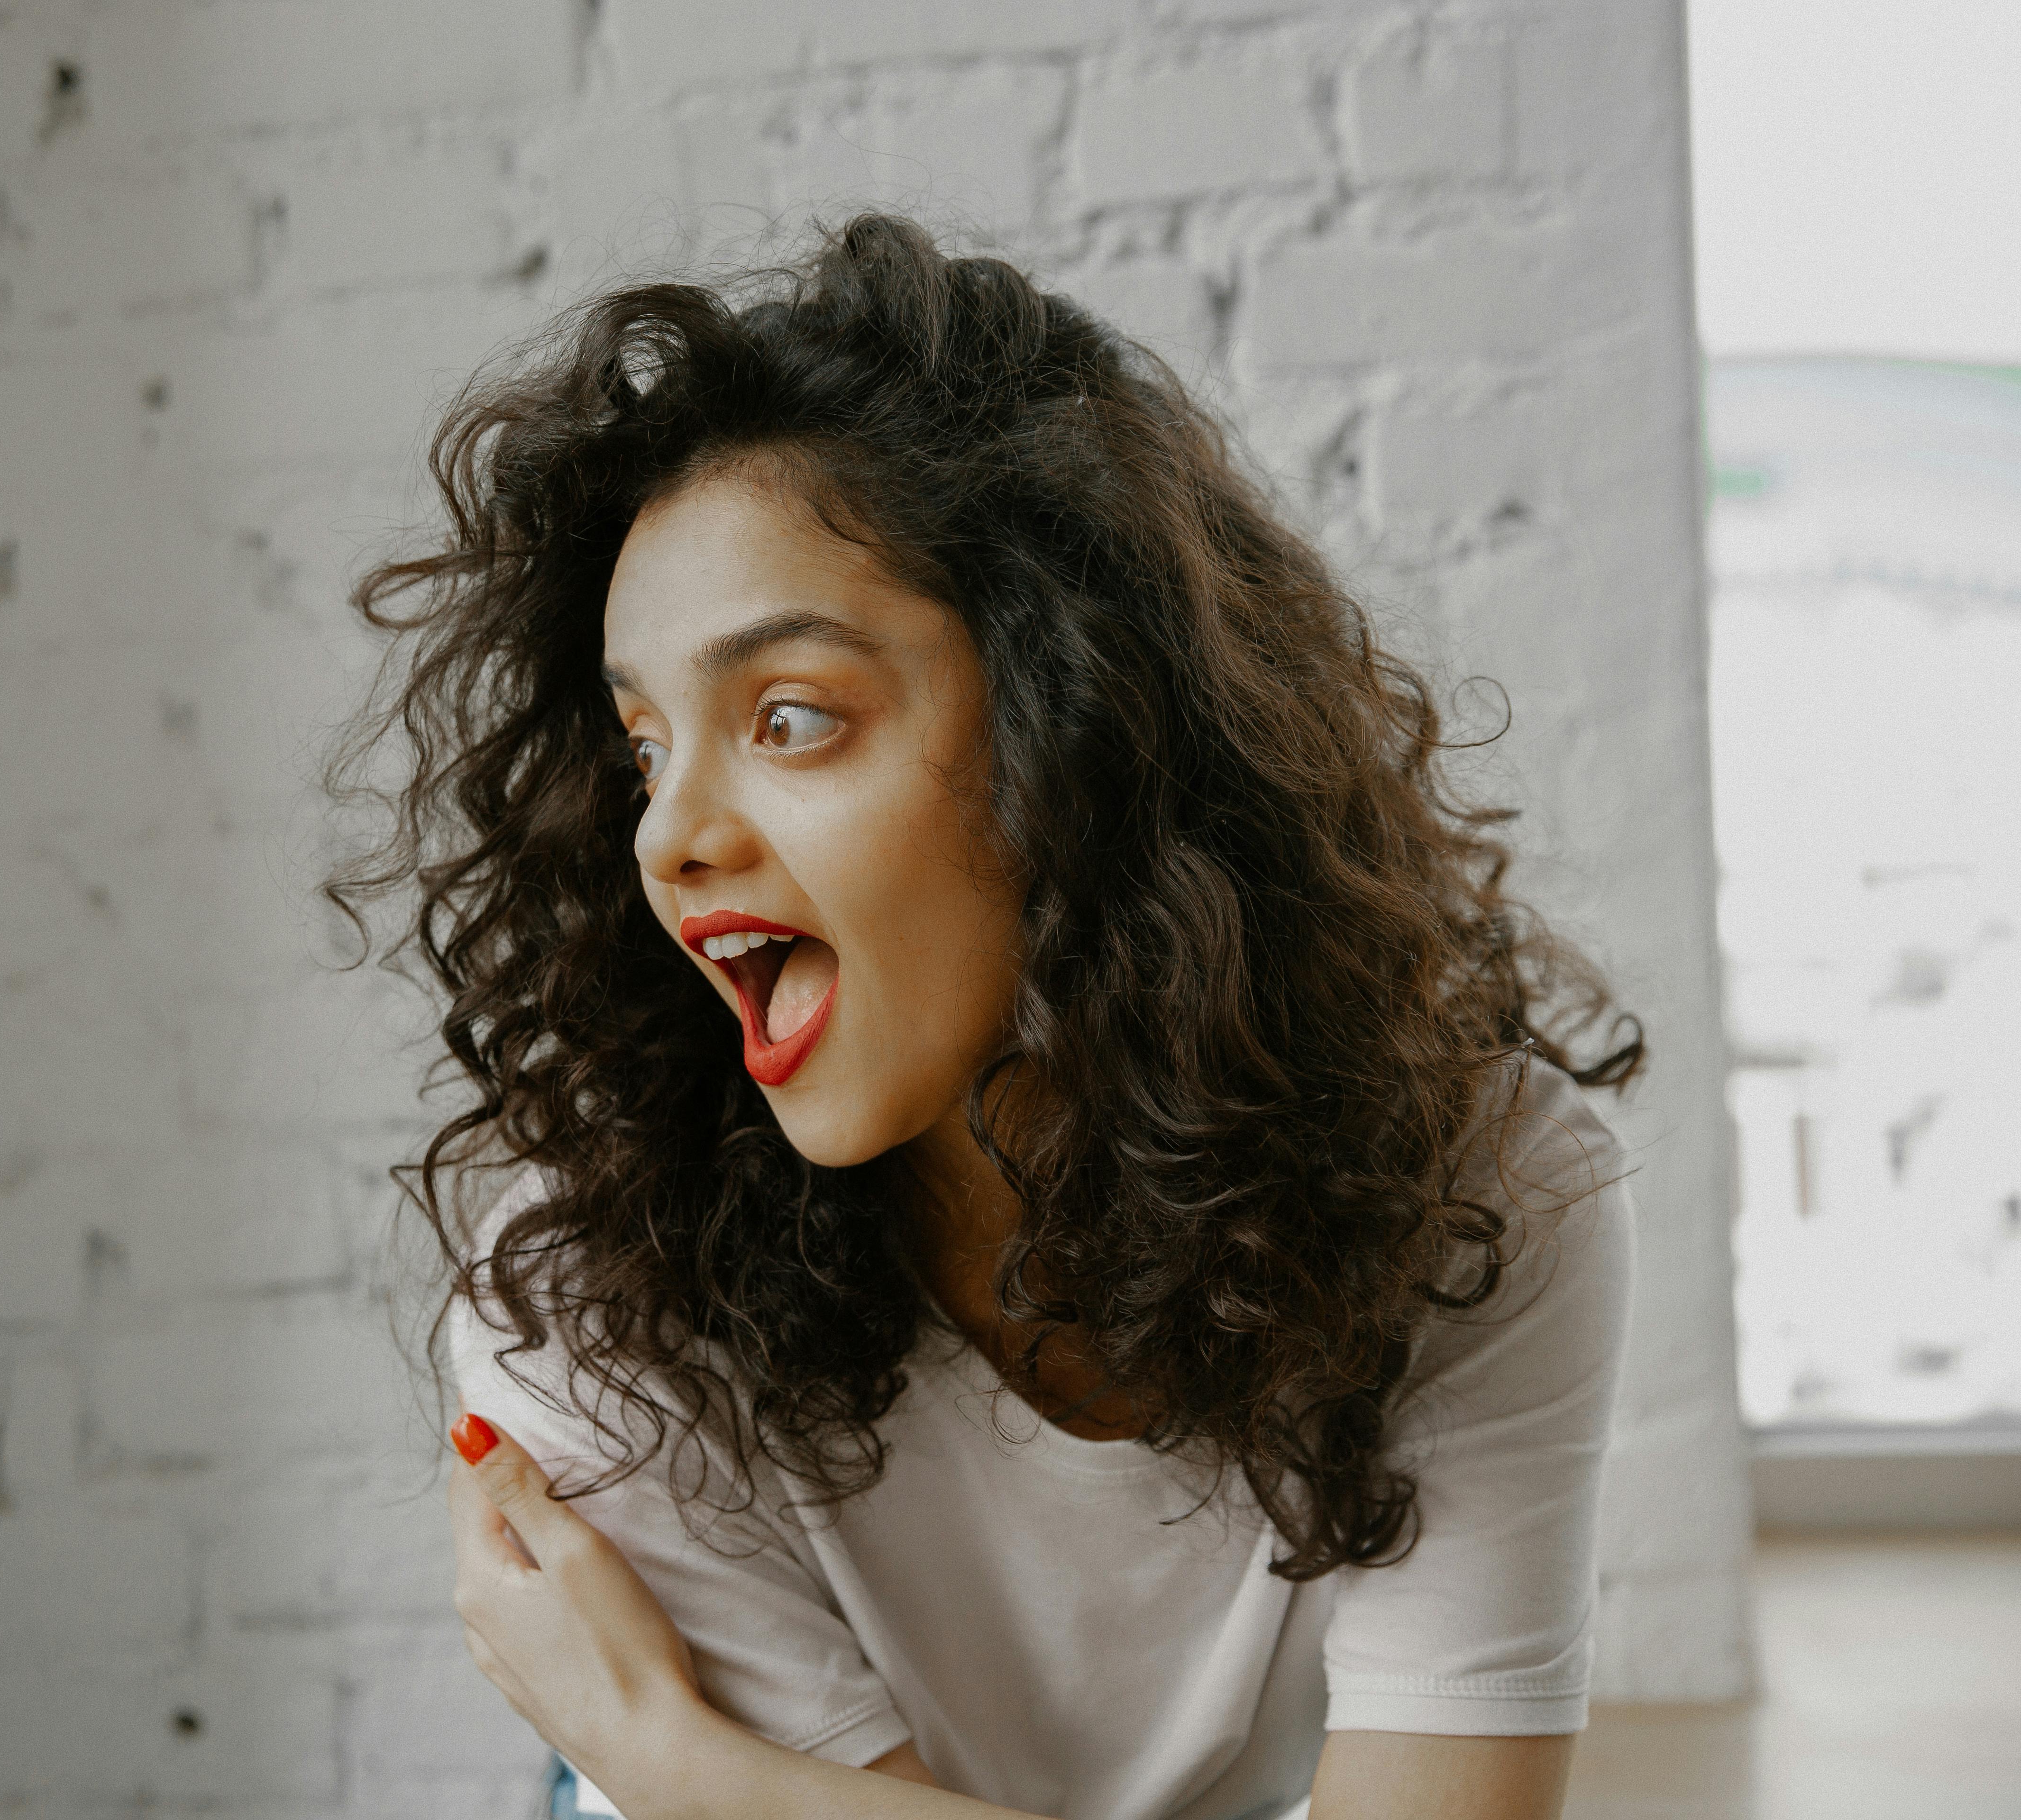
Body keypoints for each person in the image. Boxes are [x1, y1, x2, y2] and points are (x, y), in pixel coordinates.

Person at [328, 215, 1643, 1820]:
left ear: (1079, 730)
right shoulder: (586, 1297)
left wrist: (690, 1772)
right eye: (642, 748)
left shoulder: (1480, 1188)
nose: (668, 835)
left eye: (790, 717)